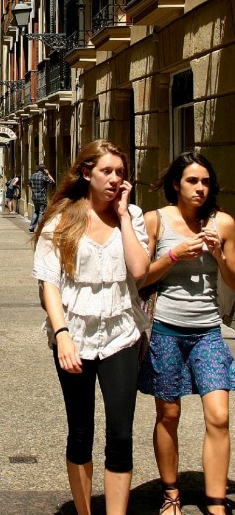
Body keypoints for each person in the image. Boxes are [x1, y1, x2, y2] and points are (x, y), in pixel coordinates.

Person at [32, 140, 150, 515]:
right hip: (75, 337)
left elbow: (141, 270)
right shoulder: (61, 220)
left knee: (121, 433)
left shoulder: (133, 217)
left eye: (121, 173)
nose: (116, 179)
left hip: (121, 336)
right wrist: (61, 333)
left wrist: (126, 217)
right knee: (80, 431)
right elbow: (48, 283)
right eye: (107, 172)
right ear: (87, 173)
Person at [138, 152, 235, 515]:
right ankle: (171, 493)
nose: (200, 189)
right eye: (193, 181)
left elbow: (233, 282)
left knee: (219, 415)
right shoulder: (155, 222)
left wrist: (218, 255)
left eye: (206, 182)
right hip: (165, 330)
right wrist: (176, 255)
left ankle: (215, 501)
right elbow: (141, 278)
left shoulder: (222, 224)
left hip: (208, 331)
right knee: (168, 413)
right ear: (176, 184)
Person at [28, 163, 55, 232]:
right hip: (42, 197)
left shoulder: (33, 175)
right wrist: (48, 174)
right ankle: (40, 228)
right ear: (44, 170)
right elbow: (53, 182)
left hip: (34, 197)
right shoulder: (43, 176)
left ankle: (31, 226)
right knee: (41, 212)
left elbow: (29, 185)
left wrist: (34, 190)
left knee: (36, 211)